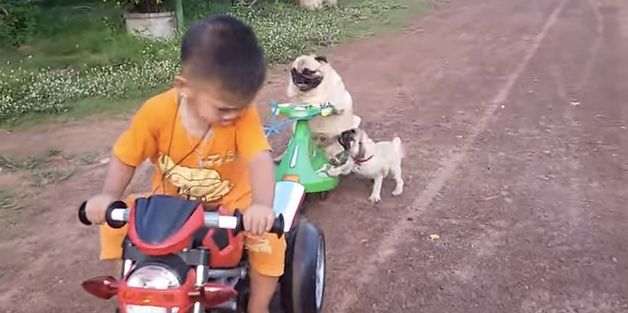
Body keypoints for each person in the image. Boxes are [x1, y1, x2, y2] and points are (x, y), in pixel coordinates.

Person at [83, 15, 283, 313]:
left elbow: (259, 159)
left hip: (230, 206)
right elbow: (126, 157)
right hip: (169, 207)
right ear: (184, 87)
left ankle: (258, 306)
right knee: (117, 221)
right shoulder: (156, 113)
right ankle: (133, 288)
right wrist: (109, 197)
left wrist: (262, 206)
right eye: (224, 108)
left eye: (242, 107)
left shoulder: (243, 115)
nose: (234, 115)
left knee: (268, 241)